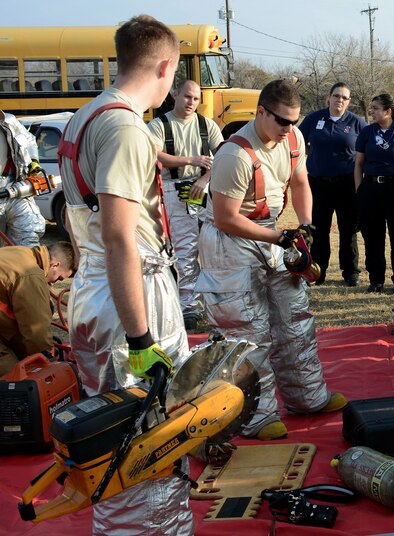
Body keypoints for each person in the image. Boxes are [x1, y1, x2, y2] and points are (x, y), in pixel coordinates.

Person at [57, 15, 194, 534]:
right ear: (165, 67)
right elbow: (120, 238)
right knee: (144, 437)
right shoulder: (124, 127)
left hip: (97, 287)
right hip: (128, 295)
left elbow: (83, 226)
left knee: (110, 432)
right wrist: (141, 337)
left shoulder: (86, 115)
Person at [197, 79, 346, 442]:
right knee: (247, 331)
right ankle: (256, 417)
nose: (289, 129)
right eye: (282, 121)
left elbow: (299, 183)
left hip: (269, 232)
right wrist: (279, 237)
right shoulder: (234, 154)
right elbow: (225, 217)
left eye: (294, 122)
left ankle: (308, 397)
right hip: (229, 240)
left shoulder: (292, 140)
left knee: (294, 316)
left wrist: (306, 225)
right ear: (261, 112)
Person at [147, 79, 223, 329]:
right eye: (187, 97)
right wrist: (191, 160)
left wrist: (204, 178)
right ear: (175, 94)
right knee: (185, 251)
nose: (191, 102)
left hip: (206, 192)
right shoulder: (159, 125)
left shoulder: (207, 125)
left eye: (196, 99)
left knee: (214, 247)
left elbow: (223, 156)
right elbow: (157, 155)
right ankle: (189, 305)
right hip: (175, 191)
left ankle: (215, 302)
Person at [298, 82, 366, 287]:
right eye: (336, 96)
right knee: (319, 230)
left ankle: (351, 272)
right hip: (318, 183)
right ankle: (319, 271)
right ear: (329, 97)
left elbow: (366, 150)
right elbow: (298, 142)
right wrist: (314, 155)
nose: (340, 100)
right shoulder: (314, 119)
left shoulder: (357, 123)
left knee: (348, 230)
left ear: (349, 101)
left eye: (344, 97)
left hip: (347, 183)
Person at [354, 94, 394, 294]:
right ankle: (376, 280)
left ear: (388, 111)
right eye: (371, 108)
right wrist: (360, 189)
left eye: (375, 108)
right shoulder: (367, 132)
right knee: (373, 237)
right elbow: (358, 164)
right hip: (371, 188)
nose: (371, 111)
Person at [0, 242, 74, 376]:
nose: (53, 283)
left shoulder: (22, 253)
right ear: (55, 265)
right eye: (58, 278)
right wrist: (49, 364)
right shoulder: (31, 276)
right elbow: (36, 334)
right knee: (15, 380)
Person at [0, 110, 45, 247]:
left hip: (17, 190)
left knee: (29, 237)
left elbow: (29, 140)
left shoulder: (9, 121)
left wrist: (33, 160)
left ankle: (29, 266)